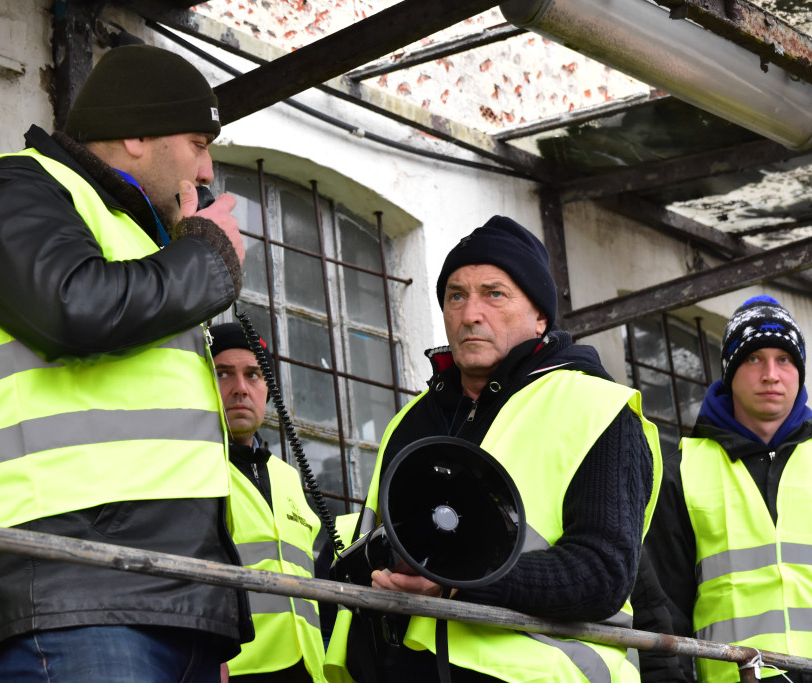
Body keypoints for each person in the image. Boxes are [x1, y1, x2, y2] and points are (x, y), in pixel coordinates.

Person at [0, 44, 251, 682]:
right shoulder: (12, 186)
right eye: (199, 141)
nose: (206, 169)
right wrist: (207, 259)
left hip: (171, 602)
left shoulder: (139, 241)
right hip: (66, 587)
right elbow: (74, 308)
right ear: (139, 133)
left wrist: (205, 614)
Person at [325, 215, 662, 683]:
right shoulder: (411, 420)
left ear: (540, 316)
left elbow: (602, 573)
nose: (470, 314)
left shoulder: (596, 406)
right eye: (456, 295)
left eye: (494, 293)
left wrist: (459, 583)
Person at [645, 295, 812, 683]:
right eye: (754, 358)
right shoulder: (681, 470)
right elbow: (663, 610)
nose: (771, 374)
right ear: (730, 372)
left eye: (784, 359)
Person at [209, 322, 327, 683]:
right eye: (224, 374)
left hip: (308, 668)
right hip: (237, 667)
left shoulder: (288, 477)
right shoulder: (194, 468)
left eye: (254, 375)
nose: (240, 389)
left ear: (268, 389)